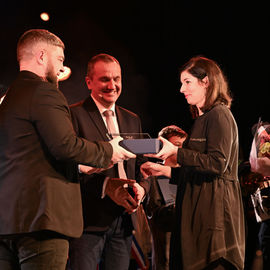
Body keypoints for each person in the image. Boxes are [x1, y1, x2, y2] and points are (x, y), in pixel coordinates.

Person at [0, 29, 136, 270]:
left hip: (8, 224)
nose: (61, 67)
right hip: (42, 222)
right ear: (42, 56)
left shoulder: (8, 98)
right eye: (60, 59)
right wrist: (109, 150)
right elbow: (65, 145)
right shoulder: (44, 91)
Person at [140, 56, 245, 270]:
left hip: (213, 223)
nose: (181, 89)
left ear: (206, 82)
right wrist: (165, 170)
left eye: (187, 82)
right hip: (199, 218)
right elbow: (200, 171)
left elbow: (218, 164)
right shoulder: (203, 119)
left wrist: (177, 153)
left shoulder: (219, 115)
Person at [67, 53, 150, 270]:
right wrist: (106, 187)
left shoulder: (133, 119)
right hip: (88, 222)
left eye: (117, 79)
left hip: (124, 223)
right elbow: (69, 169)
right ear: (89, 82)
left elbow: (142, 165)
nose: (112, 85)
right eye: (105, 79)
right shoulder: (73, 115)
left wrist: (142, 187)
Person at [145, 125, 187, 270]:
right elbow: (155, 215)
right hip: (167, 254)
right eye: (176, 145)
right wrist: (181, 208)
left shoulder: (190, 177)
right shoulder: (153, 177)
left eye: (183, 146)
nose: (180, 150)